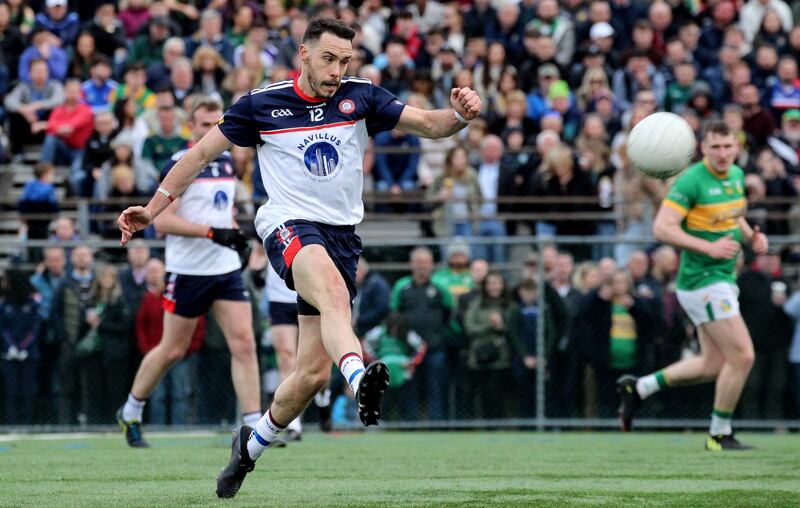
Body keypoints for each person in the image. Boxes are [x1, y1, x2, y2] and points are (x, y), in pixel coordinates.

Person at [116, 17, 482, 498]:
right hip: (287, 225)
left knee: (310, 375)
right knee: (332, 294)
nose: (336, 70)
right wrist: (152, 208)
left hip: (343, 237)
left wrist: (459, 115)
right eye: (328, 59)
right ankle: (359, 377)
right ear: (304, 54)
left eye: (344, 61)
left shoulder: (361, 97)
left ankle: (248, 449)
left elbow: (431, 125)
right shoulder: (261, 105)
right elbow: (199, 155)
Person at [115, 96, 261, 449]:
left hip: (223, 269)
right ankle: (131, 410)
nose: (212, 130)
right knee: (172, 349)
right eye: (204, 124)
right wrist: (213, 233)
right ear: (191, 127)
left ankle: (256, 427)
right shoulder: (182, 162)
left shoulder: (226, 163)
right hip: (188, 271)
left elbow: (219, 213)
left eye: (217, 123)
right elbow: (162, 221)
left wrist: (232, 235)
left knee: (244, 342)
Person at [617, 121, 769, 451]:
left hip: (721, 279)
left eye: (728, 146)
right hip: (703, 282)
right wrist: (709, 248)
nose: (723, 153)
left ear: (737, 147)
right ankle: (718, 433)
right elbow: (662, 228)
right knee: (742, 356)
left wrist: (752, 237)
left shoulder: (737, 176)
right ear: (703, 148)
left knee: (713, 364)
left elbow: (734, 215)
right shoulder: (691, 180)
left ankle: (639, 389)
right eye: (715, 147)